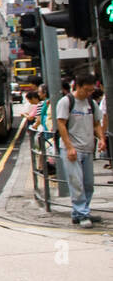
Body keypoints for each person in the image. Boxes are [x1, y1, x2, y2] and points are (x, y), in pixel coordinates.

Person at [55, 72, 105, 228]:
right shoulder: (66, 102)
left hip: (88, 148)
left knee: (88, 184)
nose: (89, 93)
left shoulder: (91, 103)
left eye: (91, 90)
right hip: (72, 149)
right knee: (76, 183)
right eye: (87, 90)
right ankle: (82, 213)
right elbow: (61, 124)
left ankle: (80, 213)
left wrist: (102, 139)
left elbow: (96, 123)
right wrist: (69, 147)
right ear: (78, 86)